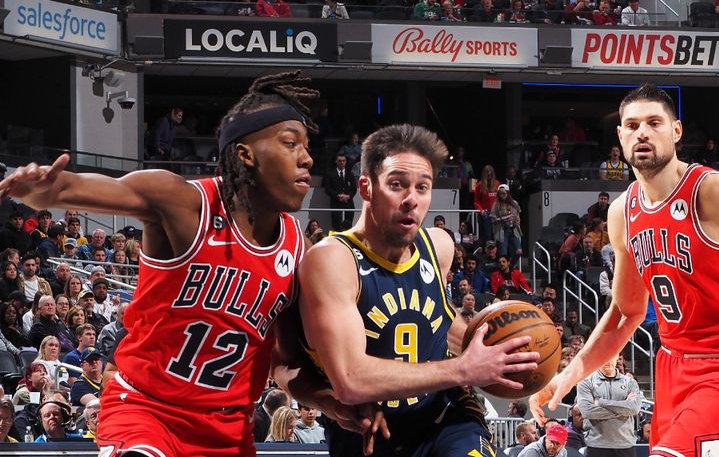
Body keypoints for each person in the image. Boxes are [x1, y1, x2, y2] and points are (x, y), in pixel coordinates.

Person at [0, 71, 376, 456]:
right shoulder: (185, 205)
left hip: (227, 430)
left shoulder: (299, 248)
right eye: (290, 143)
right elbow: (93, 188)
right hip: (147, 412)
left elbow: (286, 365)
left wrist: (327, 399)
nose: (307, 158)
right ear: (246, 154)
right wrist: (50, 190)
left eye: (307, 146)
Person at [531, 83, 719, 456]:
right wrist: (569, 375)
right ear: (620, 135)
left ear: (676, 131)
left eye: (654, 122)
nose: (642, 131)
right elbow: (626, 313)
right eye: (632, 124)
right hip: (672, 367)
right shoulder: (621, 212)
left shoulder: (717, 194)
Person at [296, 124, 538, 456]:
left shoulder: (438, 246)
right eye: (397, 185)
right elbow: (351, 380)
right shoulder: (333, 260)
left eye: (422, 187)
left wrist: (501, 352)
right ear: (366, 187)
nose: (412, 200)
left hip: (444, 415)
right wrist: (463, 368)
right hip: (367, 427)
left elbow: (441, 319)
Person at [576, 356, 641, 457]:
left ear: (617, 358)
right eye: (606, 356)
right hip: (597, 445)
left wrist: (600, 402)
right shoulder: (586, 382)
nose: (608, 360)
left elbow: (634, 408)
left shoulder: (630, 382)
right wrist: (623, 409)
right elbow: (587, 411)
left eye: (612, 356)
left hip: (625, 445)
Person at [324, 153, 357, 232]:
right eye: (339, 161)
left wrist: (348, 196)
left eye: (343, 161)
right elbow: (327, 189)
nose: (342, 162)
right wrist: (338, 196)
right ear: (336, 161)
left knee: (348, 227)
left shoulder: (350, 174)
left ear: (346, 162)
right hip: (336, 204)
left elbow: (354, 189)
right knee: (337, 227)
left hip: (349, 204)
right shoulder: (330, 174)